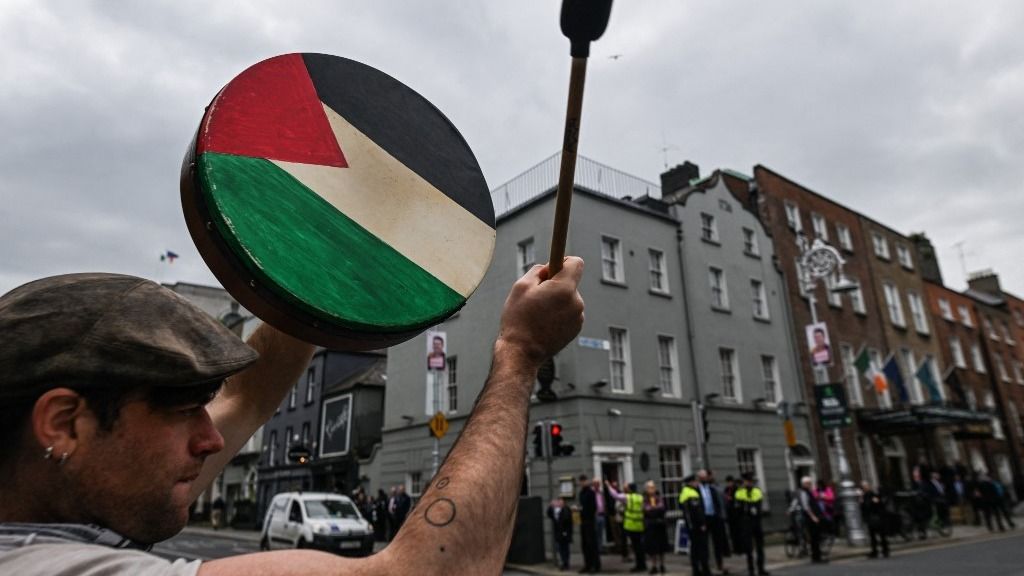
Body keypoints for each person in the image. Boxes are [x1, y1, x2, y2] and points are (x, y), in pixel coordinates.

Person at [0, 259, 585, 575]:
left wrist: (317, 264)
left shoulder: (64, 501)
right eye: (182, 410)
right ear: (64, 424)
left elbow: (247, 395)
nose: (210, 439)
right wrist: (520, 354)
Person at [607, 480, 646, 573]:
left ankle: (639, 566)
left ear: (629, 489)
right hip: (640, 524)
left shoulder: (627, 497)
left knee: (635, 546)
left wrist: (608, 486)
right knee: (640, 546)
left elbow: (615, 495)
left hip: (631, 524)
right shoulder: (640, 497)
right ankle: (642, 564)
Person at [697, 469, 731, 574]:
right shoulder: (697, 490)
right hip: (704, 519)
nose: (704, 479)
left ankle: (720, 564)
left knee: (718, 543)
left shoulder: (712, 489)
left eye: (705, 477)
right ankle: (705, 567)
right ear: (699, 478)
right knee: (703, 544)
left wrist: (719, 515)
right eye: (701, 477)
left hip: (714, 518)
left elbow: (718, 502)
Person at [680, 474, 710, 576]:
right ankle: (703, 570)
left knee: (695, 549)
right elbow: (697, 512)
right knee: (701, 549)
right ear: (691, 482)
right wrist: (702, 524)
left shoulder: (686, 492)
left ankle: (697, 569)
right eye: (696, 481)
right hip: (696, 527)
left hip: (692, 526)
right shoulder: (691, 493)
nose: (697, 483)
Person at [642, 481, 667, 574]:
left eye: (653, 487)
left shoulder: (659, 498)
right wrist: (654, 510)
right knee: (652, 548)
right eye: (649, 488)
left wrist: (654, 510)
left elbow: (662, 508)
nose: (651, 490)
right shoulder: (645, 499)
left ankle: (662, 565)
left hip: (659, 525)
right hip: (650, 526)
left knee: (661, 547)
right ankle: (654, 566)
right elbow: (646, 510)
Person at [798, 476, 825, 563]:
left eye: (810, 483)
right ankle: (816, 557)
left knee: (816, 537)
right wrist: (813, 516)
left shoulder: (809, 492)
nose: (810, 484)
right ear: (804, 484)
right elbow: (806, 507)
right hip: (811, 518)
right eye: (808, 483)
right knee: (814, 537)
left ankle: (817, 556)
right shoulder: (803, 493)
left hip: (815, 517)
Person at [578, 474, 601, 573]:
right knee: (585, 545)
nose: (582, 483)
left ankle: (595, 566)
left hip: (590, 521)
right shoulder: (581, 493)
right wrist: (579, 509)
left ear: (587, 481)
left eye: (584, 481)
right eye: (581, 481)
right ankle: (587, 564)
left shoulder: (591, 493)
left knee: (592, 544)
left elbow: (593, 508)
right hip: (583, 521)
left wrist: (583, 511)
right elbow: (582, 505)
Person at [860, 480, 889, 559]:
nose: (864, 488)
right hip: (870, 518)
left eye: (865, 486)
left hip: (877, 517)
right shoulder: (864, 496)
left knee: (881, 535)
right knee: (872, 536)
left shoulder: (873, 494)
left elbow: (878, 505)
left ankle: (885, 550)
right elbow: (864, 508)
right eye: (863, 487)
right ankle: (874, 551)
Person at [547, 497, 573, 571]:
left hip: (565, 533)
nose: (559, 503)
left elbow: (565, 519)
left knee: (565, 548)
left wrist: (566, 532)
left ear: (563, 503)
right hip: (558, 533)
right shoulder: (555, 510)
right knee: (560, 548)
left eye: (561, 502)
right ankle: (564, 562)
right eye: (558, 502)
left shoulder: (566, 509)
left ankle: (566, 563)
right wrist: (551, 506)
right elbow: (549, 514)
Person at [592, 478, 607, 554]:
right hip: (595, 515)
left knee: (601, 533)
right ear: (593, 485)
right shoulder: (592, 493)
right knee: (595, 533)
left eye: (598, 484)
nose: (597, 486)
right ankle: (596, 549)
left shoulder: (600, 493)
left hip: (602, 514)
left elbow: (603, 502)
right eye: (596, 484)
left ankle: (600, 548)